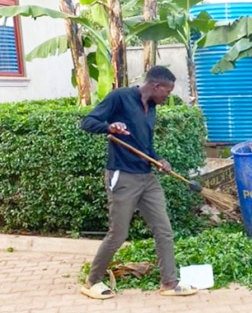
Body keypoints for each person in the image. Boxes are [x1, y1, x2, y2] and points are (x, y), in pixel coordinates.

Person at [79, 65, 197, 300]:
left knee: (164, 230)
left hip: (147, 178)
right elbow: (88, 122)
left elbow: (145, 145)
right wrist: (108, 126)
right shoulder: (120, 98)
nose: (168, 96)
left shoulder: (151, 108)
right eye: (167, 91)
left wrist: (158, 159)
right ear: (155, 86)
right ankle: (92, 281)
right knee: (118, 233)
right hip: (123, 176)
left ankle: (169, 283)